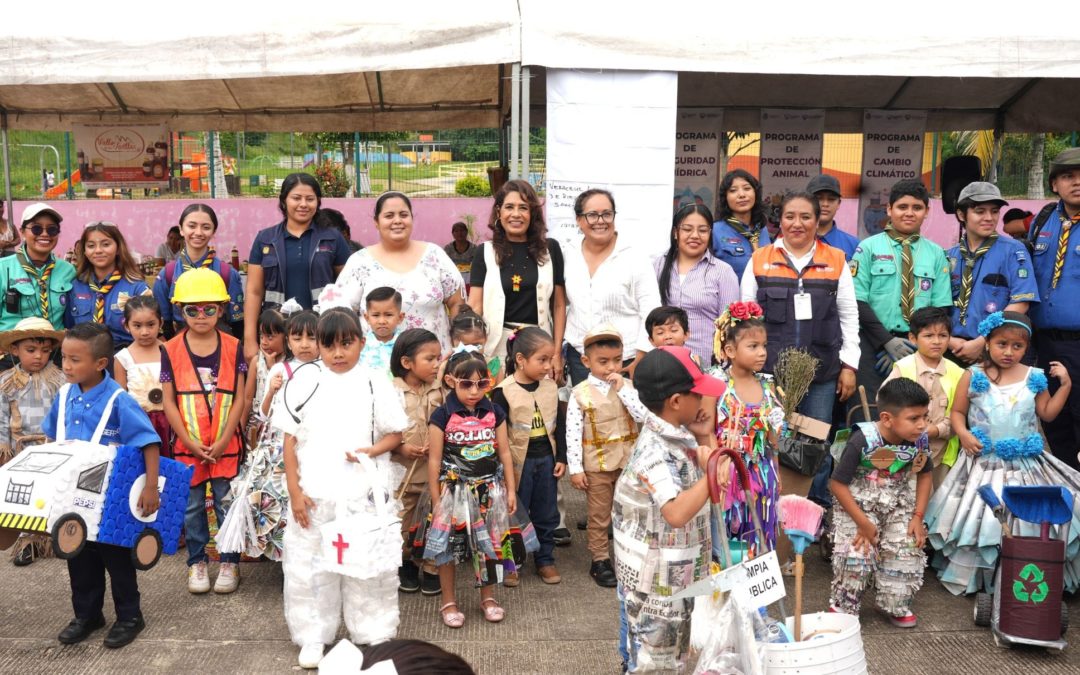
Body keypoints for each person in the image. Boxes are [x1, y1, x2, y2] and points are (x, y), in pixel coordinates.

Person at [278, 308, 407, 668]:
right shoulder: (305, 381)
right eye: (329, 345)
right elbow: (289, 441)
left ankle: (373, 630)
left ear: (361, 343)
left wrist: (371, 451)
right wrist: (295, 492)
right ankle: (313, 634)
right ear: (319, 346)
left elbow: (395, 434)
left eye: (346, 344)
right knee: (311, 567)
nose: (337, 353)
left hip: (362, 493)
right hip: (314, 493)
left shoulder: (374, 380)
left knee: (368, 565)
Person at [742, 192, 859, 560]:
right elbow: (746, 317)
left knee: (815, 449)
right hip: (770, 376)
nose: (797, 223)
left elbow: (849, 317)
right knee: (768, 444)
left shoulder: (835, 259)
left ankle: (810, 526)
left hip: (821, 375)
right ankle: (766, 521)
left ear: (817, 219)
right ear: (780, 220)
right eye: (790, 216)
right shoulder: (760, 259)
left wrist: (849, 366)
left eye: (805, 216)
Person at [928, 311, 1077, 594]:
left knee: (1027, 518)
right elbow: (957, 412)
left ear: (1026, 347)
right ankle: (985, 576)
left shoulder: (1034, 377)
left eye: (1017, 346)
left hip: (1026, 464)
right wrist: (964, 434)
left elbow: (1047, 413)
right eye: (1002, 344)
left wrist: (1066, 385)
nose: (1009, 352)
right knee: (982, 518)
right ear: (987, 343)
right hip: (984, 462)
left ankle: (1027, 575)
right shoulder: (973, 375)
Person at [44, 322, 161, 648]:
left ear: (100, 363)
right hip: (72, 497)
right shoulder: (64, 395)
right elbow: (51, 436)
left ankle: (130, 617)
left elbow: (149, 442)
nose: (66, 366)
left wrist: (151, 487)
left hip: (110, 498)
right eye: (64, 358)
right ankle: (87, 615)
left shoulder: (119, 400)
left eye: (75, 360)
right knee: (78, 557)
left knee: (116, 559)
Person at [613, 346, 724, 673]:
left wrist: (705, 437)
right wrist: (710, 475)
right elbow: (675, 512)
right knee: (655, 664)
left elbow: (711, 476)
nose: (703, 400)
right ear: (676, 401)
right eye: (697, 394)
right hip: (656, 589)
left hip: (676, 574)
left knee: (673, 657)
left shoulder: (679, 432)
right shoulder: (655, 450)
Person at [160, 268, 247, 595]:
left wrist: (223, 440)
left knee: (226, 504)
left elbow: (239, 398)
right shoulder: (170, 349)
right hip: (188, 449)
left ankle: (229, 561)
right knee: (192, 507)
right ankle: (196, 562)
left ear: (221, 310)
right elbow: (169, 402)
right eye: (192, 310)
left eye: (209, 309)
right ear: (180, 310)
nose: (201, 316)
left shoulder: (234, 346)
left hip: (227, 445)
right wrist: (189, 441)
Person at [425, 348, 518, 628]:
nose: (474, 391)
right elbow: (434, 460)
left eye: (482, 383)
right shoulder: (442, 415)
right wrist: (436, 499)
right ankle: (448, 601)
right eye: (466, 384)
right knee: (447, 548)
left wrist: (511, 489)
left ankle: (488, 597)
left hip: (487, 491)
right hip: (453, 492)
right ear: (451, 381)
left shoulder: (494, 412)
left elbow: (504, 453)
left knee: (488, 545)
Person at [829, 377, 932, 627]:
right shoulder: (861, 440)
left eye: (925, 417)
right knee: (857, 555)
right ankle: (843, 604)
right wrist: (863, 523)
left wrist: (918, 517)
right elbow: (837, 484)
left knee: (906, 549)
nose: (922, 425)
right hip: (857, 506)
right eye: (914, 418)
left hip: (899, 503)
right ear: (887, 418)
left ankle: (893, 603)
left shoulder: (919, 440)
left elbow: (925, 474)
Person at [225, 309, 319, 563]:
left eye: (312, 338)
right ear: (289, 341)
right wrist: (271, 392)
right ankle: (285, 557)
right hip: (279, 446)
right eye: (297, 338)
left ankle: (309, 555)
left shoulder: (326, 370)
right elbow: (264, 415)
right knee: (280, 500)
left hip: (313, 446)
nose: (305, 344)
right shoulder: (280, 369)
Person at [320, 192, 465, 353]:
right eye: (389, 216)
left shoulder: (435, 255)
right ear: (376, 222)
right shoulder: (359, 262)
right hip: (376, 362)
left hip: (434, 361)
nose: (397, 221)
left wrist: (459, 347)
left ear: (411, 218)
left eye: (403, 215)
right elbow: (343, 314)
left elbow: (456, 303)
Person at [850, 180, 952, 408]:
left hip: (917, 347)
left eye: (917, 208)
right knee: (869, 412)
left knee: (913, 413)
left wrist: (910, 343)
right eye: (902, 207)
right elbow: (857, 301)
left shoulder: (936, 254)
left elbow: (940, 309)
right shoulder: (867, 248)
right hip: (871, 344)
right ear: (889, 209)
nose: (909, 213)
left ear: (926, 212)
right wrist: (886, 342)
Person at [700, 302, 784, 559]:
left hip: (761, 472)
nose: (762, 353)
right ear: (729, 350)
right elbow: (706, 430)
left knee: (759, 534)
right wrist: (718, 463)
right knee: (728, 539)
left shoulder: (768, 385)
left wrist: (776, 465)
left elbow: (772, 440)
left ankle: (757, 577)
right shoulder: (716, 383)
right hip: (727, 473)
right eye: (753, 346)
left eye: (764, 346)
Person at [566, 326, 648, 588]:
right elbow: (572, 432)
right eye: (603, 362)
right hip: (597, 465)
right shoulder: (579, 393)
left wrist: (623, 389)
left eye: (617, 360)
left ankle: (630, 555)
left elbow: (641, 416)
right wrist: (576, 468)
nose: (611, 367)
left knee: (630, 511)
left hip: (628, 463)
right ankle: (600, 559)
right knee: (599, 515)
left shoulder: (628, 387)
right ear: (586, 361)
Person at [244, 173, 352, 361]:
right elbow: (254, 292)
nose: (303, 204)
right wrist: (249, 339)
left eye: (310, 199)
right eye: (296, 198)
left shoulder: (333, 238)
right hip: (277, 336)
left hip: (321, 333)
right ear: (283, 201)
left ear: (318, 202)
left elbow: (348, 288)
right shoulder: (265, 239)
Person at [469, 180, 566, 380]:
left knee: (540, 399)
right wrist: (470, 351)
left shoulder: (550, 249)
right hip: (497, 348)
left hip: (541, 348)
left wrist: (556, 353)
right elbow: (475, 306)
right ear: (499, 212)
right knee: (499, 398)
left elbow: (558, 306)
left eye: (523, 208)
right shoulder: (485, 252)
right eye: (509, 207)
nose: (516, 214)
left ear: (532, 213)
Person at [564, 188, 661, 386]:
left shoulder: (634, 256)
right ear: (579, 220)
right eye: (592, 215)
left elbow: (651, 309)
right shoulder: (569, 253)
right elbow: (560, 303)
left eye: (607, 214)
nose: (600, 221)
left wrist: (641, 357)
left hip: (624, 361)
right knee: (583, 406)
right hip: (580, 358)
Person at [491, 327, 564, 585]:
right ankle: (513, 562)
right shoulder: (503, 391)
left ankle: (545, 559)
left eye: (550, 359)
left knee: (546, 511)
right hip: (516, 464)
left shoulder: (551, 387)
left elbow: (560, 425)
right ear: (521, 359)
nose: (548, 366)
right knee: (514, 511)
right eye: (542, 360)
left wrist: (562, 457)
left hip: (546, 460)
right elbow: (497, 434)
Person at [945, 182, 1038, 365]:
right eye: (980, 211)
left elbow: (1021, 302)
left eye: (994, 211)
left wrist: (982, 341)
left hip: (994, 351)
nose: (989, 218)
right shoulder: (948, 256)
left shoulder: (1014, 251)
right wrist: (949, 340)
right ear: (961, 215)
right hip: (951, 349)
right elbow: (937, 305)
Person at [1029, 148, 1080, 470]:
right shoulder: (1043, 220)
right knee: (1054, 421)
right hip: (1044, 343)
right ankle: (1068, 486)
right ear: (1054, 184)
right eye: (1068, 176)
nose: (1077, 183)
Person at [0, 316, 65, 566]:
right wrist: (4, 451)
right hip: (21, 451)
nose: (39, 356)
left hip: (51, 448)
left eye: (45, 350)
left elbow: (64, 416)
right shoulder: (6, 382)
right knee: (24, 496)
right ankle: (28, 542)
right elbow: (2, 419)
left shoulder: (60, 380)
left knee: (51, 494)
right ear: (14, 349)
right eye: (31, 350)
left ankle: (52, 538)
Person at [881, 307, 964, 488]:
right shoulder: (903, 367)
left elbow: (961, 411)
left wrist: (937, 430)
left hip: (942, 456)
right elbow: (884, 402)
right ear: (913, 338)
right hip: (904, 452)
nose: (936, 341)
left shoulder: (958, 372)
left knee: (938, 500)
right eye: (928, 336)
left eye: (943, 336)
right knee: (905, 495)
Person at [390, 329, 445, 596]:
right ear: (406, 362)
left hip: (436, 476)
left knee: (435, 521)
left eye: (438, 358)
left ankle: (433, 568)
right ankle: (407, 564)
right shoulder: (390, 391)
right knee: (404, 524)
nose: (436, 364)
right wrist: (400, 447)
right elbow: (379, 430)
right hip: (403, 477)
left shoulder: (440, 389)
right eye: (430, 359)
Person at [654, 204, 739, 365]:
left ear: (710, 234)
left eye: (702, 230)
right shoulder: (658, 266)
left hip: (706, 364)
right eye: (687, 229)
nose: (695, 235)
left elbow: (729, 328)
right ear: (675, 233)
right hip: (663, 363)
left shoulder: (723, 272)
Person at [153, 204, 245, 339]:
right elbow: (164, 324)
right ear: (181, 230)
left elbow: (237, 324)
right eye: (192, 226)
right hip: (180, 344)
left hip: (220, 344)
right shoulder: (167, 274)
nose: (198, 232)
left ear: (213, 232)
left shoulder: (227, 273)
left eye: (206, 227)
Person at [65, 222, 150, 350]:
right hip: (85, 356)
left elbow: (149, 330)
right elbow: (69, 329)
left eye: (106, 244)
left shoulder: (136, 287)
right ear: (85, 251)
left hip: (125, 356)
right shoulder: (75, 286)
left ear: (118, 248)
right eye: (91, 246)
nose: (98, 250)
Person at [0, 203, 75, 331]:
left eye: (52, 229)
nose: (45, 234)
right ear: (22, 232)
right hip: (12, 343)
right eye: (36, 229)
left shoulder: (68, 270)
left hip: (55, 342)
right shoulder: (3, 268)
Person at [113, 296, 171, 453]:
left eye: (151, 325)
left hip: (171, 422)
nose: (144, 332)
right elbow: (121, 399)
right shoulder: (122, 358)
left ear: (161, 323)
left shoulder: (170, 351)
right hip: (138, 423)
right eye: (137, 326)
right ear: (126, 326)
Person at [710, 169, 771, 280]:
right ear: (725, 197)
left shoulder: (762, 230)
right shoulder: (714, 231)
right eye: (733, 190)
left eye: (747, 188)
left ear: (756, 193)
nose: (742, 195)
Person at [241, 308, 286, 448]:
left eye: (270, 337)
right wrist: (240, 428)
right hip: (258, 424)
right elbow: (247, 398)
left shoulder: (290, 363)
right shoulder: (257, 362)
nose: (264, 342)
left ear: (286, 337)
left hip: (281, 426)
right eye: (261, 336)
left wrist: (273, 367)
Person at [807, 174, 860, 261]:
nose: (825, 204)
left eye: (831, 199)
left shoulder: (854, 246)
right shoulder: (791, 242)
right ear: (807, 201)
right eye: (819, 198)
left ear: (838, 204)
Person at [360, 287, 405, 378]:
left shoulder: (406, 344)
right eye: (376, 315)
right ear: (367, 318)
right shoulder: (360, 345)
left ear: (400, 317)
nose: (382, 321)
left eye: (388, 315)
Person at [443, 221, 476, 287]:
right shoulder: (448, 248)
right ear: (453, 233)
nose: (459, 233)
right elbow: (444, 265)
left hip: (470, 281)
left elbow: (476, 266)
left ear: (466, 232)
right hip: (452, 281)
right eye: (456, 231)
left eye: (462, 230)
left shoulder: (474, 248)